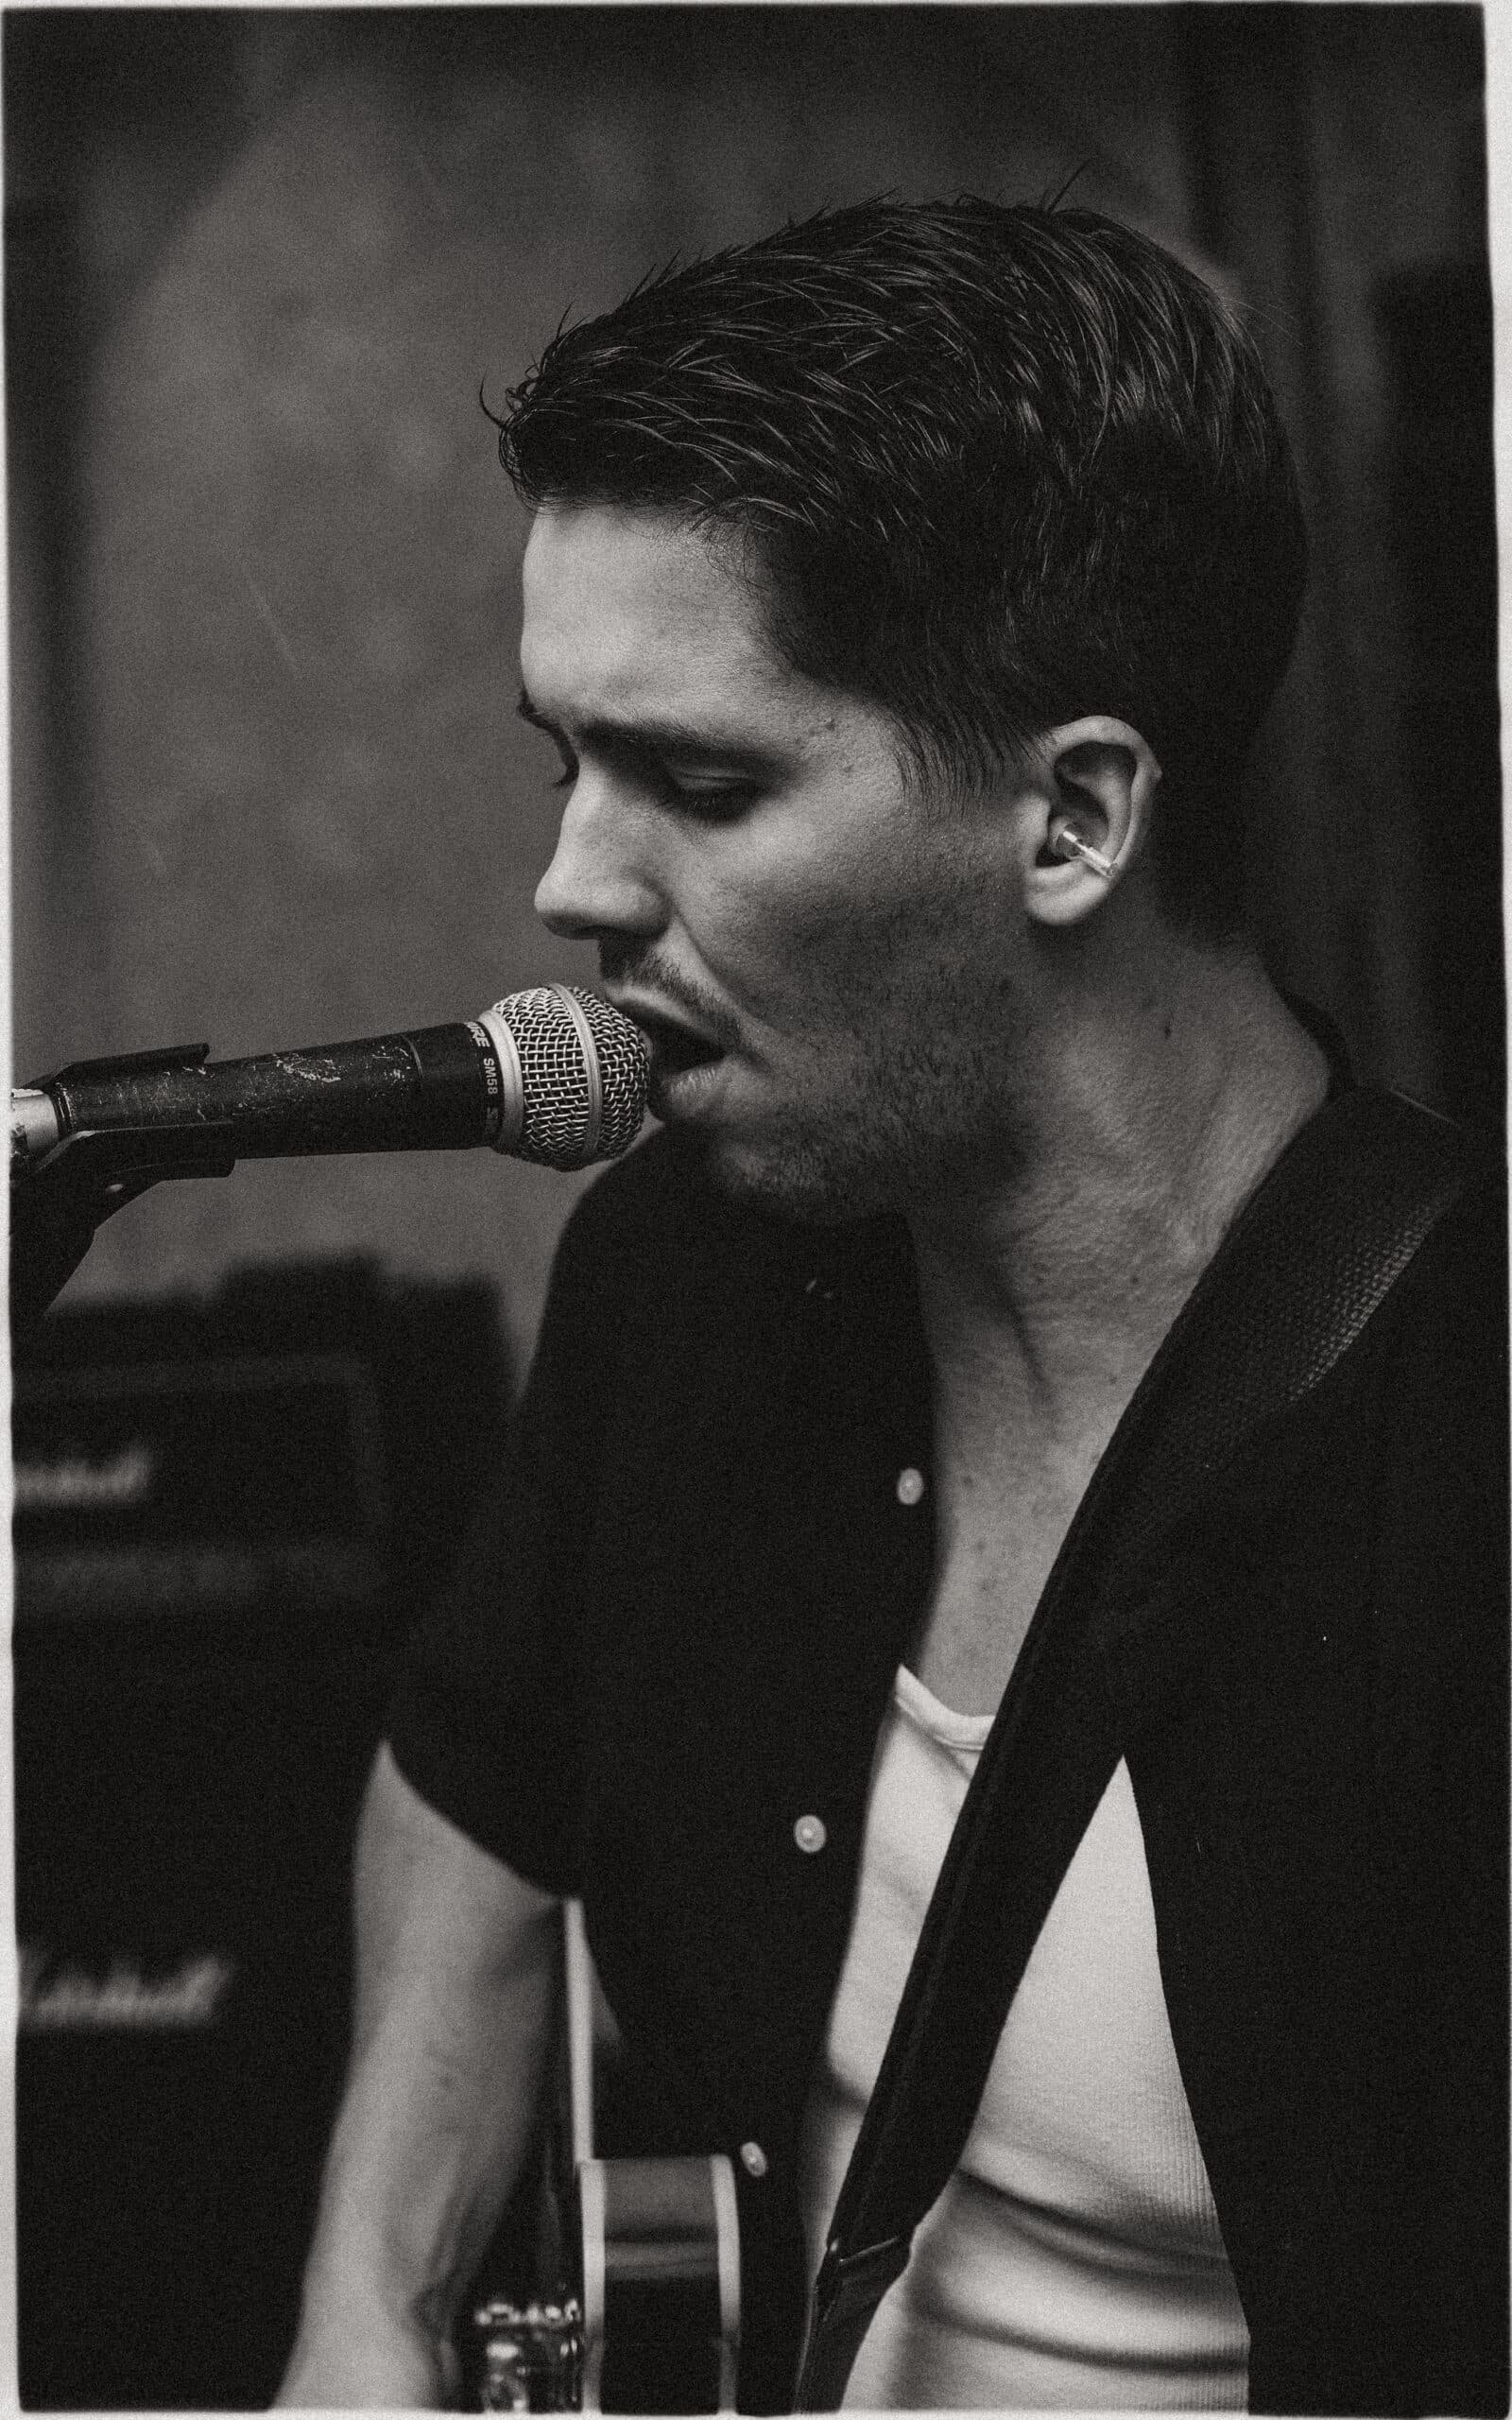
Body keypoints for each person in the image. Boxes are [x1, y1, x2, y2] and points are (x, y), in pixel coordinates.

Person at [277, 199, 1506, 2414]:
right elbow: (473, 1778)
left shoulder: (1460, 1445)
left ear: (1073, 820)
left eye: (700, 780)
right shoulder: (682, 1269)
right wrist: (365, 2311)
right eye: (566, 756)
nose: (567, 879)